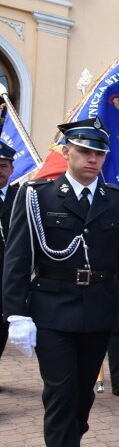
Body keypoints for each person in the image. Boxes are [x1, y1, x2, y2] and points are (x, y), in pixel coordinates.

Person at [3, 117, 119, 447]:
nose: (93, 159)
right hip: (51, 309)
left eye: (99, 153)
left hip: (99, 309)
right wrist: (15, 314)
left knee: (83, 395)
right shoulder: (37, 197)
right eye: (85, 151)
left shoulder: (116, 201)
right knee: (61, 392)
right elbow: (18, 258)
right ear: (65, 151)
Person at [0, 141, 19, 368]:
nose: (0, 171)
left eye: (3, 166)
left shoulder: (22, 197)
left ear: (12, 169)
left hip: (8, 275)